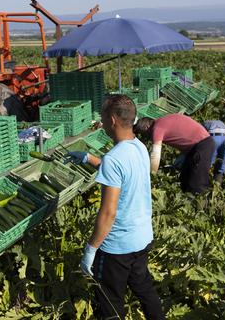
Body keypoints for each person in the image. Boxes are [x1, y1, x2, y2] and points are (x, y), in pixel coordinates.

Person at [65, 94, 165, 320]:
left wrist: (91, 249)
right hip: (141, 238)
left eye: (102, 115)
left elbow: (108, 213)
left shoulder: (113, 159)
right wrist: (89, 158)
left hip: (117, 248)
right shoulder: (138, 146)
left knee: (110, 301)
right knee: (145, 289)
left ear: (111, 120)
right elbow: (123, 171)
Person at [134, 113, 215, 194]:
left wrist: (151, 177)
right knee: (185, 179)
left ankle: (201, 204)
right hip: (196, 146)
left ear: (146, 127)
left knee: (196, 184)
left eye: (144, 133)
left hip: (202, 145)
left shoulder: (157, 128)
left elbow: (155, 156)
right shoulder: (163, 120)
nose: (147, 137)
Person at [202, 120, 225, 185]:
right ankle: (217, 185)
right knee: (221, 163)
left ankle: (203, 186)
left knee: (208, 162)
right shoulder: (221, 123)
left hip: (215, 137)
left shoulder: (204, 123)